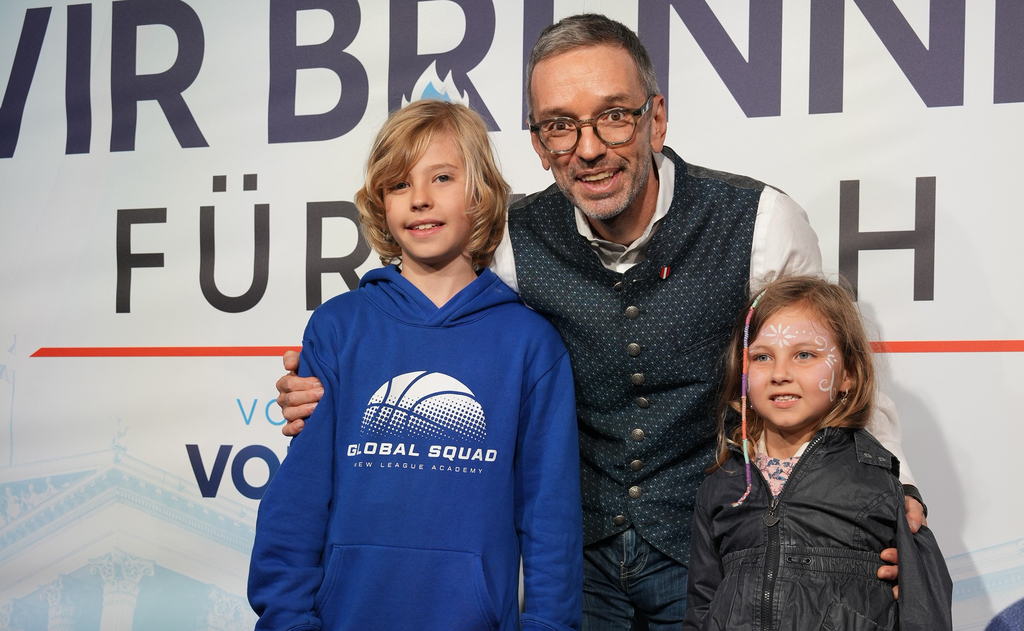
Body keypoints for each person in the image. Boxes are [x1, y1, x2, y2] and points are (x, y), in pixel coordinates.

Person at [275, 14, 927, 629]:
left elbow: (834, 363)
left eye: (614, 116)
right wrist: (327, 386)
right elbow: (425, 321)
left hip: (711, 544)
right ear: (539, 143)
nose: (588, 148)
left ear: (656, 119)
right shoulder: (510, 240)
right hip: (575, 561)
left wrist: (890, 495)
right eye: (560, 125)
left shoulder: (760, 223)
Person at [248, 99, 583, 631]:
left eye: (442, 177)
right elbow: (299, 499)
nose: (420, 198)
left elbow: (551, 521)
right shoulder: (339, 328)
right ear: (380, 203)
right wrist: (288, 619)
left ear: (480, 193)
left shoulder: (530, 345)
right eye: (399, 184)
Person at [683, 276, 952, 630]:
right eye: (762, 357)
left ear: (848, 374)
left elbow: (925, 612)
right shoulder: (723, 485)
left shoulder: (879, 483)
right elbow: (702, 607)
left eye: (804, 355)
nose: (780, 373)